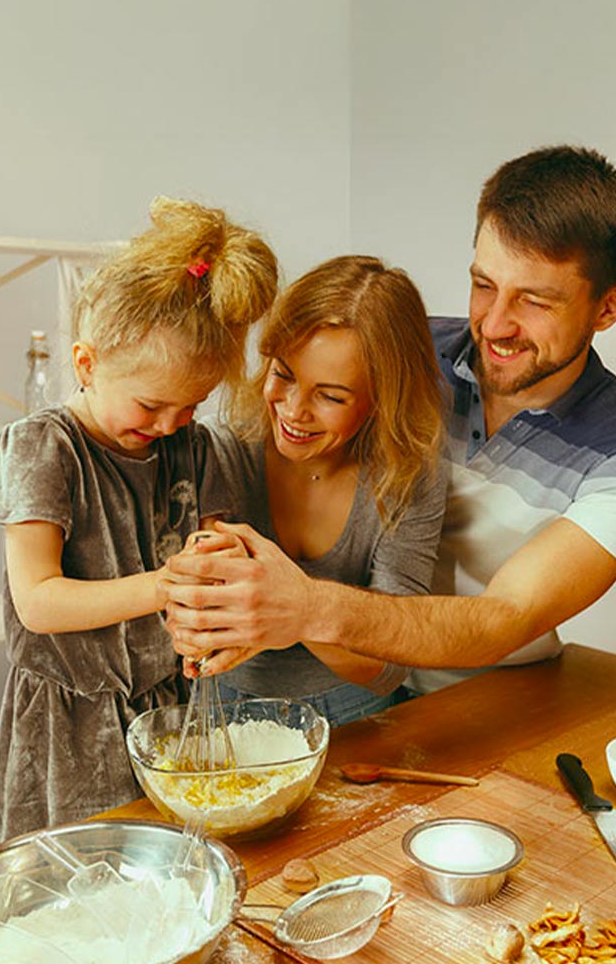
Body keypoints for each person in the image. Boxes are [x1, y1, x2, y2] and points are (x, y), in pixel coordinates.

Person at [161, 145, 616, 690]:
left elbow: (508, 616)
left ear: (610, 305)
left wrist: (306, 606)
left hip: (491, 693)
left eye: (535, 301)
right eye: (484, 285)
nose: (496, 325)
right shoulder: (393, 352)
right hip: (358, 687)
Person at [0, 197, 277, 845]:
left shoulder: (194, 446)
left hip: (165, 704)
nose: (167, 427)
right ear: (86, 364)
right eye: (151, 405)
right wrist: (167, 586)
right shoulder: (43, 449)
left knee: (159, 862)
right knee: (76, 872)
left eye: (189, 407)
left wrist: (214, 604)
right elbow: (39, 603)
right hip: (68, 719)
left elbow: (215, 560)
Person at [176, 255, 448, 725]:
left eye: (331, 396)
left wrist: (299, 611)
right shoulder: (224, 445)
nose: (294, 410)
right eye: (283, 374)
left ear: (381, 401)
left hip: (354, 715)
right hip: (218, 704)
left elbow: (390, 666)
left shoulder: (408, 476)